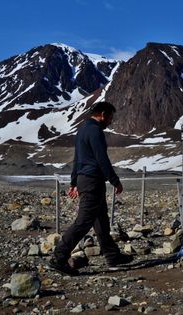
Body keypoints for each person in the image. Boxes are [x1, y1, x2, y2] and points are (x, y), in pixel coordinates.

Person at [49, 101, 132, 275]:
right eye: (110, 117)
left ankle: (112, 255)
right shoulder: (95, 131)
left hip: (85, 179)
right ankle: (59, 257)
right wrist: (115, 180)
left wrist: (74, 182)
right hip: (93, 180)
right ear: (102, 114)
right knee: (83, 221)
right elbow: (101, 158)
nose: (110, 121)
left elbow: (77, 158)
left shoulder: (83, 129)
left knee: (101, 220)